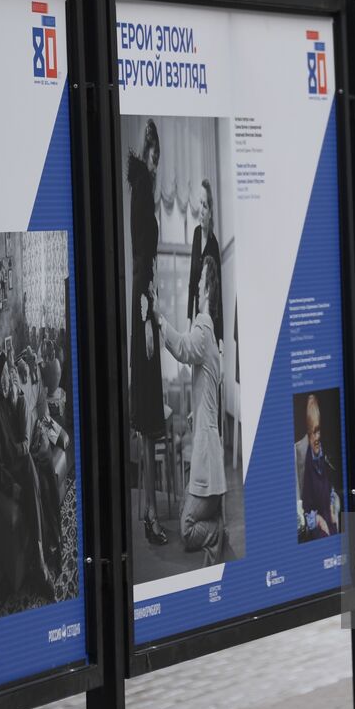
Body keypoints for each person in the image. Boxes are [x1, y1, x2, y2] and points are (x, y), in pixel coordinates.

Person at [159, 255, 228, 564]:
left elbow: (184, 348)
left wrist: (160, 319)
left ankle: (217, 530)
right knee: (182, 513)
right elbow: (209, 388)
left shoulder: (205, 325)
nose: (195, 287)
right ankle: (213, 515)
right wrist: (195, 412)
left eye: (199, 283)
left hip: (208, 458)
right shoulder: (213, 340)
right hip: (208, 453)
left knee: (187, 531)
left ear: (208, 290)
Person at [127, 120, 168, 547]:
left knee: (149, 424)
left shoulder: (145, 188)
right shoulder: (142, 187)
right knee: (150, 421)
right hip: (143, 308)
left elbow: (147, 263)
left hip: (146, 302)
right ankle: (151, 516)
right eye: (154, 154)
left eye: (159, 156)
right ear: (148, 150)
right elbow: (141, 260)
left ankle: (148, 512)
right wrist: (145, 319)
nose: (156, 161)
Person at [0, 353, 55, 597]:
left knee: (33, 475)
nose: (8, 382)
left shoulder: (17, 402)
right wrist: (9, 486)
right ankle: (45, 557)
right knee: (31, 474)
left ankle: (40, 560)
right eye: (4, 378)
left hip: (23, 464)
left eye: (11, 376)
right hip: (11, 471)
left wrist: (18, 399)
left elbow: (23, 441)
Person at [187, 179, 223, 349]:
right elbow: (192, 282)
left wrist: (221, 337)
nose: (201, 211)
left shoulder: (214, 245)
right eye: (200, 204)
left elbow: (218, 290)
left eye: (205, 206)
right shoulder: (195, 235)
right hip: (197, 316)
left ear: (210, 212)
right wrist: (188, 321)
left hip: (210, 320)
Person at [299, 394, 339, 540]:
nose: (316, 438)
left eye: (318, 431)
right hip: (318, 527)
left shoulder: (326, 456)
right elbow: (306, 510)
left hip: (331, 518)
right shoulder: (306, 465)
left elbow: (332, 489)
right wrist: (319, 520)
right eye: (312, 433)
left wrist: (333, 507)